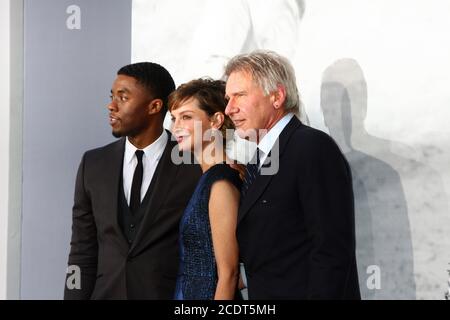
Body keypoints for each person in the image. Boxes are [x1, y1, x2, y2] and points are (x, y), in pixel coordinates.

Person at [224, 50, 360, 299]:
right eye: (228, 98)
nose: (229, 109)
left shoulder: (312, 147)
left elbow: (331, 251)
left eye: (239, 95)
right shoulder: (259, 160)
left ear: (277, 96)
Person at [64, 62, 202, 299]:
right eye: (112, 96)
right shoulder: (93, 164)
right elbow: (81, 250)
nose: (111, 105)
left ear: (154, 106)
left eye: (123, 97)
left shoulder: (193, 165)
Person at [168, 78, 242, 300]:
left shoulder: (220, 184)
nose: (176, 127)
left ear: (216, 120)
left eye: (186, 117)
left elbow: (229, 275)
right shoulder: (211, 178)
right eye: (173, 118)